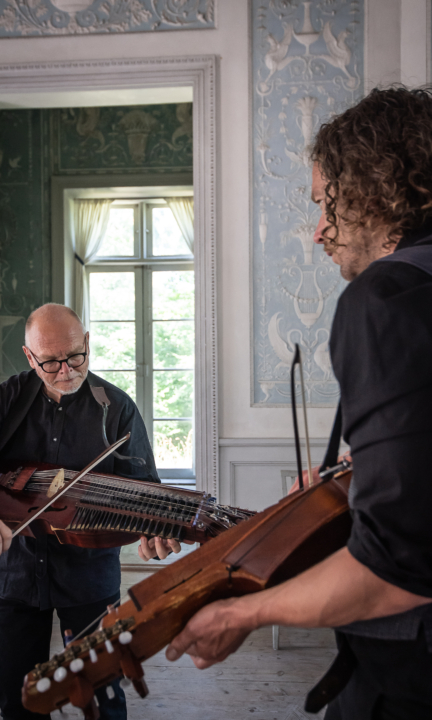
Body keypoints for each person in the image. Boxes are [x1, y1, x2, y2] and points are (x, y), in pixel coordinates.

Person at [164, 87, 432, 719]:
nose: (318, 232)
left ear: (373, 188)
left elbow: (397, 569)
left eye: (326, 205)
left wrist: (243, 611)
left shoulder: (384, 298)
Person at [0, 303, 177, 720]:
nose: (66, 371)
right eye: (50, 362)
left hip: (89, 579)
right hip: (18, 575)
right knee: (20, 701)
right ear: (28, 356)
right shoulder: (6, 401)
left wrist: (153, 529)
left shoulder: (117, 408)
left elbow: (147, 491)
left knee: (104, 700)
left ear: (87, 342)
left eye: (75, 356)